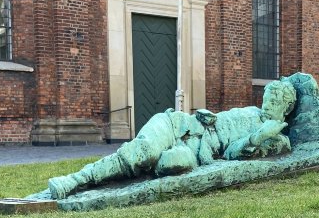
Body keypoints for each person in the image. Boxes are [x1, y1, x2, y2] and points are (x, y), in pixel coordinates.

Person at [47, 79, 298, 200]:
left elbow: (233, 154)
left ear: (286, 107)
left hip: (195, 151)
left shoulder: (278, 140)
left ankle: (108, 182)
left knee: (168, 162)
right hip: (178, 124)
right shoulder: (252, 112)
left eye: (275, 101)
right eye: (267, 97)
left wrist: (257, 137)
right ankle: (76, 180)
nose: (268, 103)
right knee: (143, 151)